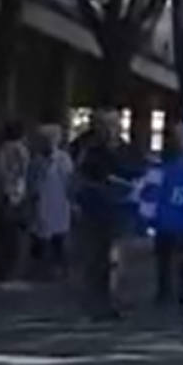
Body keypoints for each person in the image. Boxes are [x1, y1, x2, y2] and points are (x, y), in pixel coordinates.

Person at [73, 109, 136, 321]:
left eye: (114, 124)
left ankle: (114, 300)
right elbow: (79, 179)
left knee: (116, 259)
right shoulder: (89, 152)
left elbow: (141, 177)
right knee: (95, 260)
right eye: (105, 125)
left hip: (121, 212)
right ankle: (96, 303)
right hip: (94, 212)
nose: (110, 130)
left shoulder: (129, 151)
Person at [154, 123, 183, 305]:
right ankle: (164, 290)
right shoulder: (165, 157)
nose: (180, 139)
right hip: (167, 212)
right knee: (164, 253)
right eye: (177, 135)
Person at [26, 124, 72, 280]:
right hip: (41, 202)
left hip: (59, 201)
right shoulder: (36, 161)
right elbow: (31, 182)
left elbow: (69, 181)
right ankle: (39, 268)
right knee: (39, 236)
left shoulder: (63, 159)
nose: (48, 143)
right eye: (44, 140)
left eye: (51, 139)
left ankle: (59, 268)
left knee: (59, 237)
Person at [0, 121, 30, 283]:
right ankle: (9, 270)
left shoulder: (1, 150)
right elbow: (21, 173)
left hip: (3, 194)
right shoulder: (19, 150)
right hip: (14, 194)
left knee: (3, 235)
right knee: (12, 236)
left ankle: (3, 270)